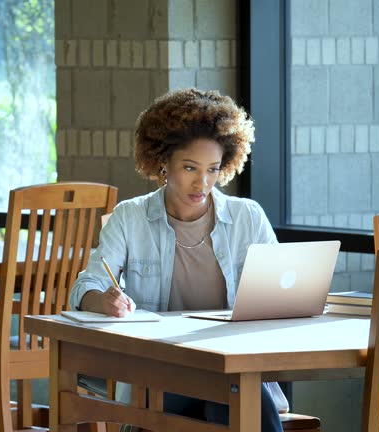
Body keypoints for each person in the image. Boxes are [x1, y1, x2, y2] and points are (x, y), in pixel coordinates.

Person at [68, 88, 286, 432]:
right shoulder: (130, 217)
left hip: (233, 367)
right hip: (161, 370)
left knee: (236, 397)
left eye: (213, 169)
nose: (203, 182)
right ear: (162, 162)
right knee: (220, 403)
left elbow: (284, 287)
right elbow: (86, 285)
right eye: (190, 168)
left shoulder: (248, 217)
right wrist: (103, 301)